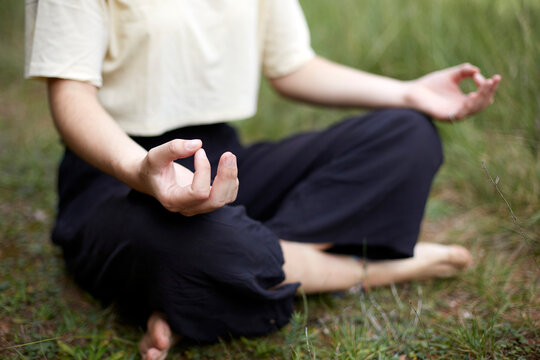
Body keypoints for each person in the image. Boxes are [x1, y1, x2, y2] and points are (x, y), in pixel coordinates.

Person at [25, 0, 500, 359]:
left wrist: (408, 92)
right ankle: (371, 270)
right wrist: (141, 172)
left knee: (408, 132)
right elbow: (71, 96)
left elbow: (292, 65)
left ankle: (219, 276)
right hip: (116, 173)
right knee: (203, 246)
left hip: (222, 164)